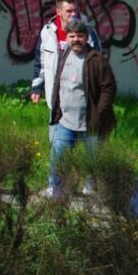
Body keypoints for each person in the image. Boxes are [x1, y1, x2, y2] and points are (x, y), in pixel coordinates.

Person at [43, 20, 116, 199]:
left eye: (80, 36)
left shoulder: (97, 60)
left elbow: (109, 88)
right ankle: (55, 189)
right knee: (58, 157)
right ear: (67, 38)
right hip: (65, 120)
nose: (76, 39)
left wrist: (99, 113)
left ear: (86, 37)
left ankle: (91, 190)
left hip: (91, 123)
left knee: (92, 161)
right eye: (72, 36)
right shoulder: (64, 55)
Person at [30, 0, 102, 105]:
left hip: (81, 94)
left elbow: (98, 62)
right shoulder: (48, 32)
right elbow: (41, 62)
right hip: (55, 92)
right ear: (59, 12)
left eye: (76, 10)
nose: (73, 14)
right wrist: (36, 87)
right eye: (69, 11)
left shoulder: (88, 33)